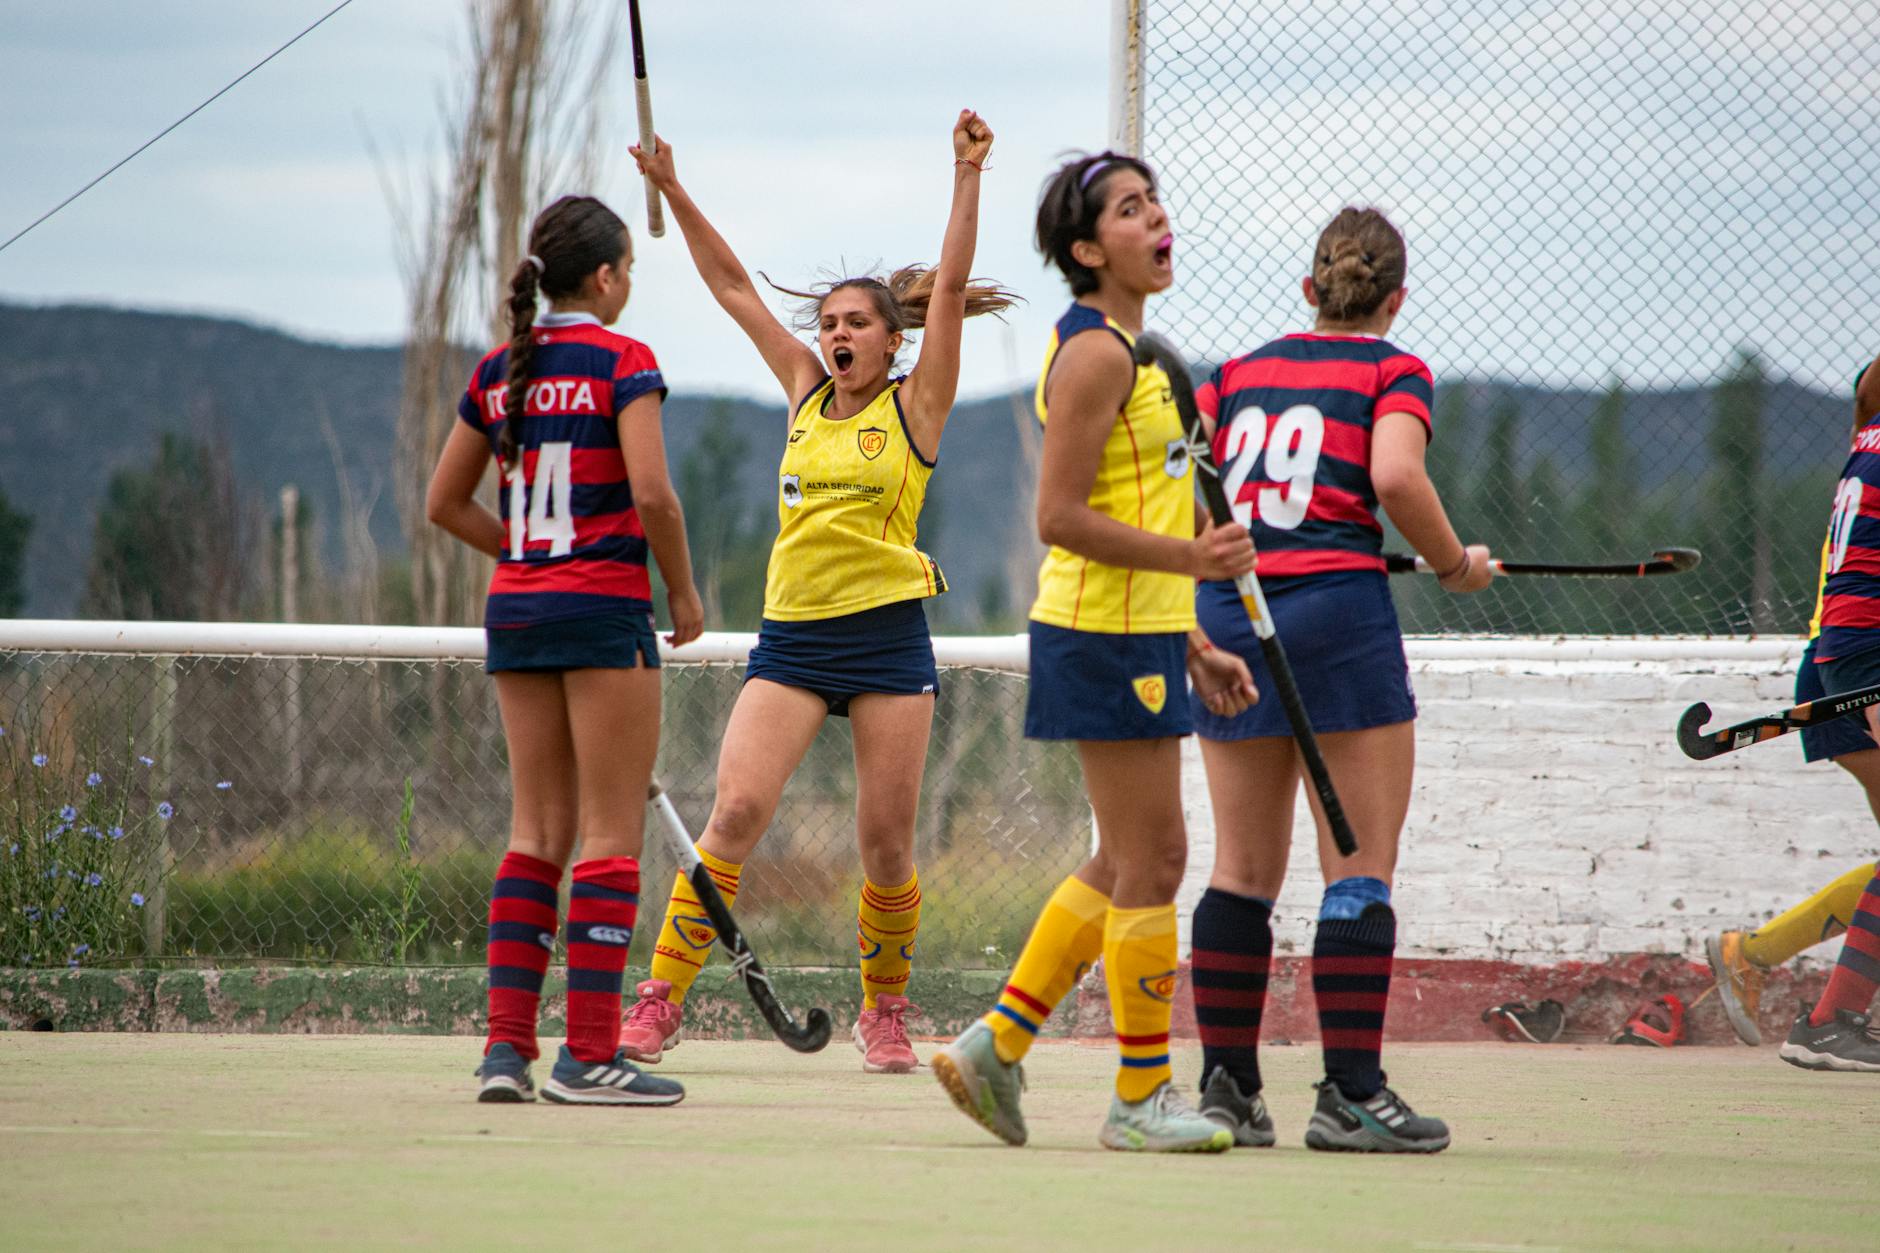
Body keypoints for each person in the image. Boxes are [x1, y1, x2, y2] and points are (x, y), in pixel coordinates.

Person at [620, 112, 1017, 1074]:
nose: (837, 335)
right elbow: (730, 287)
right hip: (793, 640)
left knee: (885, 846)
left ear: (890, 341)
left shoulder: (915, 408)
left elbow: (953, 286)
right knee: (735, 815)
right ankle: (659, 998)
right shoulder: (802, 388)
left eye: (856, 324)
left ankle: (885, 1010)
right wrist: (673, 188)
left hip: (886, 643)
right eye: (829, 323)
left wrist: (965, 173)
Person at [933, 151, 1258, 1153]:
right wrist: (1193, 558)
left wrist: (1192, 634)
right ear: (1085, 250)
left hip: (1140, 633)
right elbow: (1059, 515)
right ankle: (1138, 1096)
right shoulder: (1096, 357)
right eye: (1129, 208)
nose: (1156, 216)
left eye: (1155, 198)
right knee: (1154, 858)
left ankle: (999, 1042)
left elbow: (1130, 508)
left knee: (1125, 856)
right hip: (1099, 635)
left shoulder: (1137, 351)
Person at [1182, 208, 1492, 1153]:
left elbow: (1186, 483)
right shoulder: (1393, 370)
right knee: (1357, 866)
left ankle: (1228, 1090)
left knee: (1241, 866)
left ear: (1308, 290)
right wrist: (1452, 565)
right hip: (1341, 624)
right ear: (1396, 299)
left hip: (1232, 619)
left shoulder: (1230, 377)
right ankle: (1352, 1093)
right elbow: (1395, 477)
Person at [426, 194, 703, 1105]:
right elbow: (655, 496)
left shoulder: (501, 369)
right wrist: (686, 592)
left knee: (533, 833)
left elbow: (444, 503)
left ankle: (506, 1052)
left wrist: (528, 553)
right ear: (609, 275)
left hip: (519, 614)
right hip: (602, 613)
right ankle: (588, 1056)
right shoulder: (624, 361)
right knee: (609, 836)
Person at [1710, 350, 1880, 1071]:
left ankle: (1755, 956)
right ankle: (1830, 1017)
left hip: (1838, 656)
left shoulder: (1864, 447)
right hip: (1861, 657)